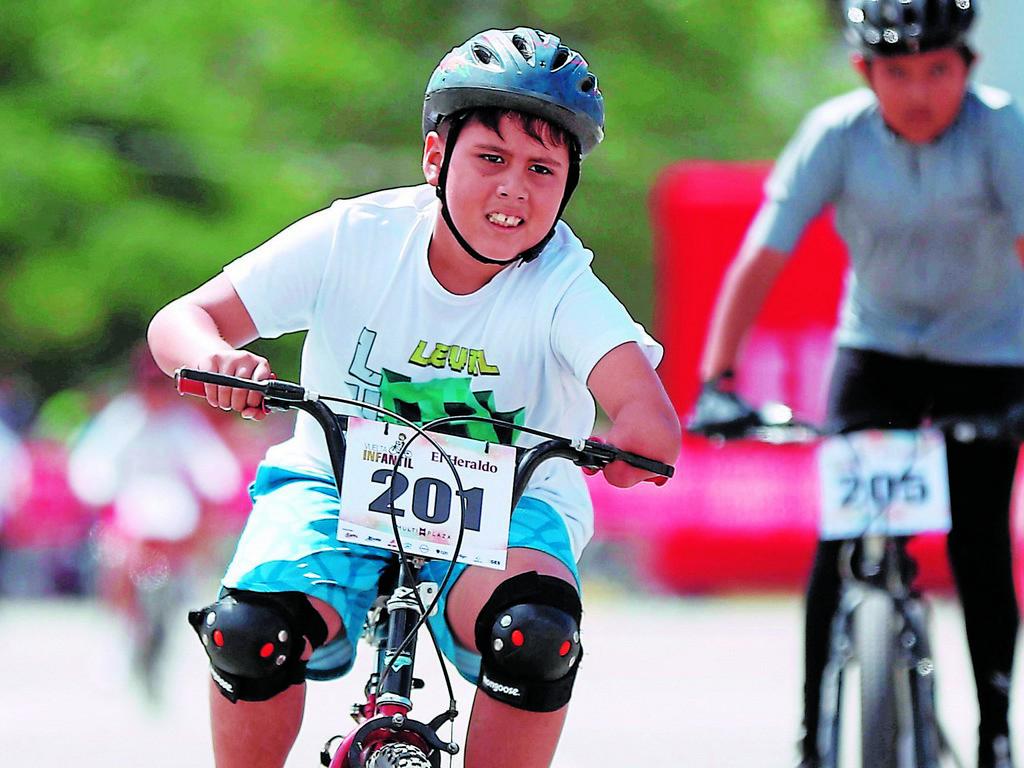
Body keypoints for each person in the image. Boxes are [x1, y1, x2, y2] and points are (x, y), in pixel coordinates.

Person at [148, 27, 680, 768]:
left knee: (534, 634)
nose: (514, 189)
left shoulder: (564, 285)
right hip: (331, 485)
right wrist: (216, 359)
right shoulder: (354, 237)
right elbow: (179, 321)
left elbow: (646, 411)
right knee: (248, 633)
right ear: (435, 158)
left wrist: (636, 442)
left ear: (568, 186)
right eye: (490, 159)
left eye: (542, 170)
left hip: (507, 510)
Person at [689, 2, 1024, 766]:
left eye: (938, 70)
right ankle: (814, 734)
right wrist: (717, 378)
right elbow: (762, 257)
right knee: (838, 542)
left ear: (967, 68)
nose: (918, 92)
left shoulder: (1002, 131)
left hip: (991, 353)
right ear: (863, 72)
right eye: (896, 72)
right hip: (876, 350)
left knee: (979, 541)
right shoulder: (834, 134)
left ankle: (997, 733)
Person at [68, 345, 242, 699]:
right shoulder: (122, 419)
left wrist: (213, 490)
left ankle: (173, 631)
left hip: (175, 517)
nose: (155, 394)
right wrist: (102, 492)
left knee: (197, 560)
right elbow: (93, 467)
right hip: (131, 513)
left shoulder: (184, 423)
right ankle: (121, 631)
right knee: (115, 561)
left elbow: (213, 467)